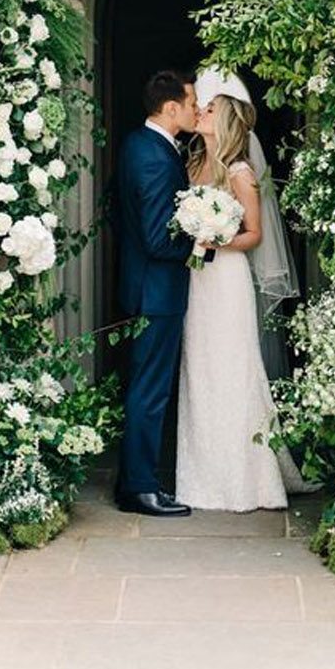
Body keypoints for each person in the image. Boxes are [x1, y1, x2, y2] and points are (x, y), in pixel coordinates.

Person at [175, 68, 310, 512]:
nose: (200, 112)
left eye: (209, 109)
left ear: (226, 118)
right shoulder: (194, 163)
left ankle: (246, 480)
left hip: (228, 279)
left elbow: (253, 234)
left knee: (234, 371)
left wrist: (216, 238)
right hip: (200, 281)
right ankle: (201, 479)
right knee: (201, 372)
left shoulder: (240, 171)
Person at [112, 69, 207, 518]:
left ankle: (132, 480)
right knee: (150, 391)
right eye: (191, 104)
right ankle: (141, 488)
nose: (196, 111)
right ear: (171, 108)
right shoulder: (153, 155)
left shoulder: (138, 144)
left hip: (145, 287)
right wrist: (201, 243)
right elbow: (156, 237)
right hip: (156, 291)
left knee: (145, 387)